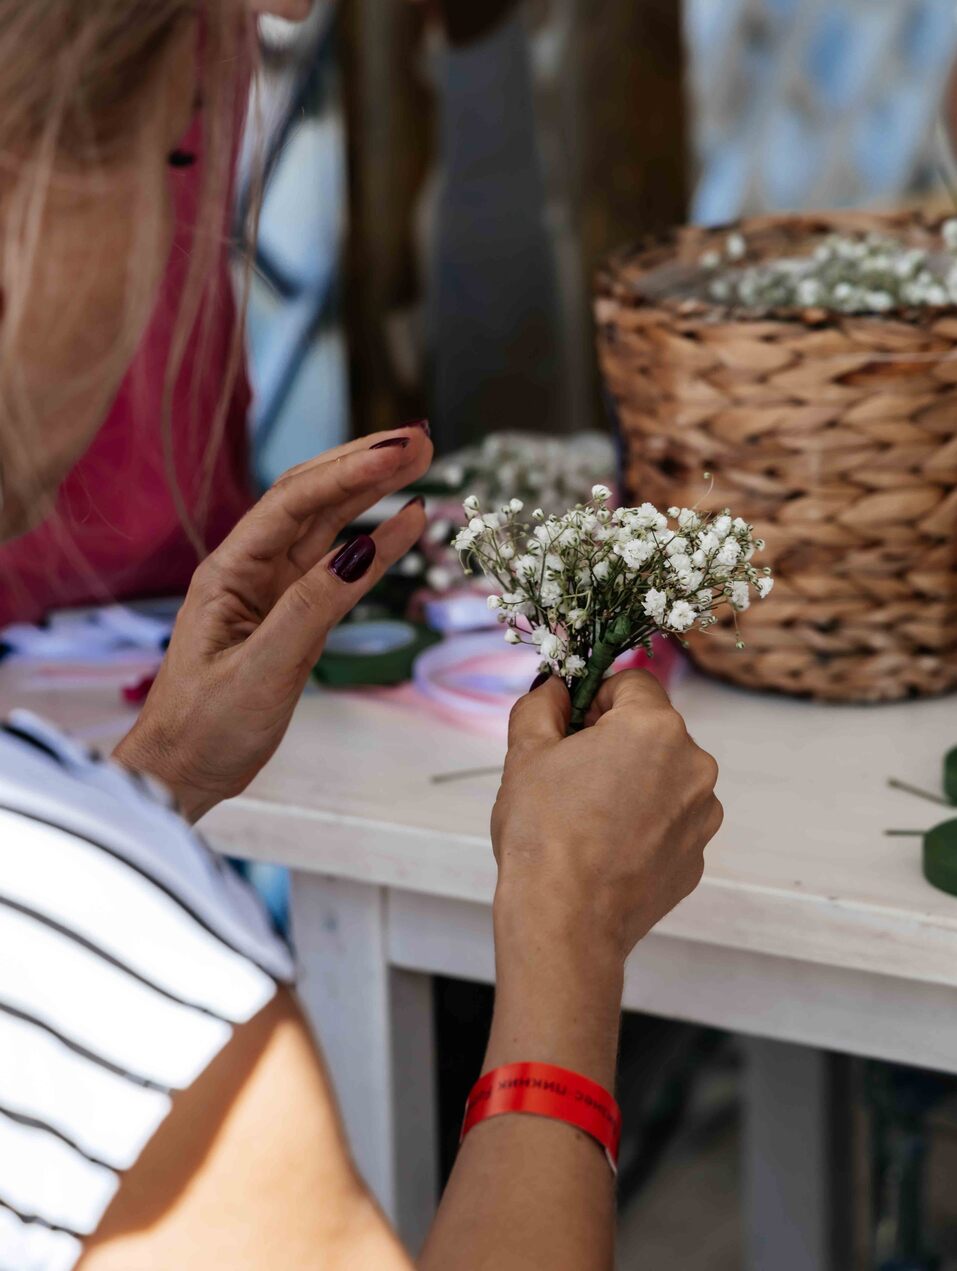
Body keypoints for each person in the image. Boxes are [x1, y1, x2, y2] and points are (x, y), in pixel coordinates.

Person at [0, 5, 722, 1270]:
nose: (184, 247)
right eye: (176, 157)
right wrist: (565, 939)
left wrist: (159, 771)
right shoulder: (115, 968)